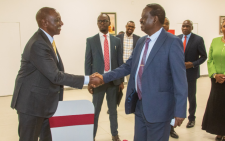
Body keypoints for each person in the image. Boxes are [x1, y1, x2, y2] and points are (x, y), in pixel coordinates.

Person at [90, 3, 188, 141]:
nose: (140, 20)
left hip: (159, 109)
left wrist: (180, 110)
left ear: (154, 19)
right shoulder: (142, 42)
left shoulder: (172, 42)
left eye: (143, 17)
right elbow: (127, 66)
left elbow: (180, 79)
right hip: (140, 106)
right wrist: (103, 78)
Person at [10, 7, 101, 141]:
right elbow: (56, 76)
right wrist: (89, 79)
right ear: (44, 23)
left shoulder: (47, 40)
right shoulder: (38, 44)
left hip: (45, 103)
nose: (61, 23)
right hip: (32, 105)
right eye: (57, 20)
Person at [85, 13, 124, 141]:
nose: (102, 23)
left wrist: (121, 81)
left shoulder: (117, 41)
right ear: (97, 23)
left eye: (104, 21)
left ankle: (115, 134)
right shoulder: (91, 40)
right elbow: (87, 62)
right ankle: (92, 136)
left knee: (113, 111)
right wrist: (89, 82)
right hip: (98, 82)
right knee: (95, 112)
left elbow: (120, 62)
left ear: (109, 23)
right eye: (100, 21)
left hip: (113, 82)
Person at [178, 20, 207, 128]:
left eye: (187, 26)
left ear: (192, 28)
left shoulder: (198, 39)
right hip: (178, 74)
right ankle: (175, 117)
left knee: (191, 97)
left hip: (191, 74)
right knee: (177, 96)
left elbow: (204, 57)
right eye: (183, 26)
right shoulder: (177, 38)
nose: (185, 28)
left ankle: (191, 118)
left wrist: (193, 64)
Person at [202, 20, 225, 141]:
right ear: (222, 27)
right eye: (224, 26)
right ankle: (219, 131)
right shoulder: (215, 41)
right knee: (217, 106)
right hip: (216, 81)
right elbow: (210, 60)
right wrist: (215, 74)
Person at [162, 17, 179, 139]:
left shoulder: (173, 41)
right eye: (163, 23)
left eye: (167, 24)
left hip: (171, 82)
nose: (164, 25)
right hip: (159, 84)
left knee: (171, 108)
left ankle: (171, 129)